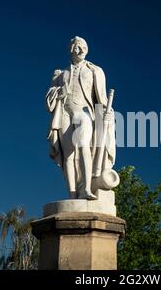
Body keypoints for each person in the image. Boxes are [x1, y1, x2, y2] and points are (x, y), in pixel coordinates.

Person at [45, 36, 116, 200]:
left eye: (84, 46)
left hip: (84, 112)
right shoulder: (60, 74)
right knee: (68, 154)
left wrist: (108, 111)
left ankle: (86, 188)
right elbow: (48, 98)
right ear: (71, 49)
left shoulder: (94, 70)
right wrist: (58, 92)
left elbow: (102, 99)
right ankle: (72, 194)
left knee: (84, 145)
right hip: (65, 113)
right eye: (77, 46)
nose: (81, 49)